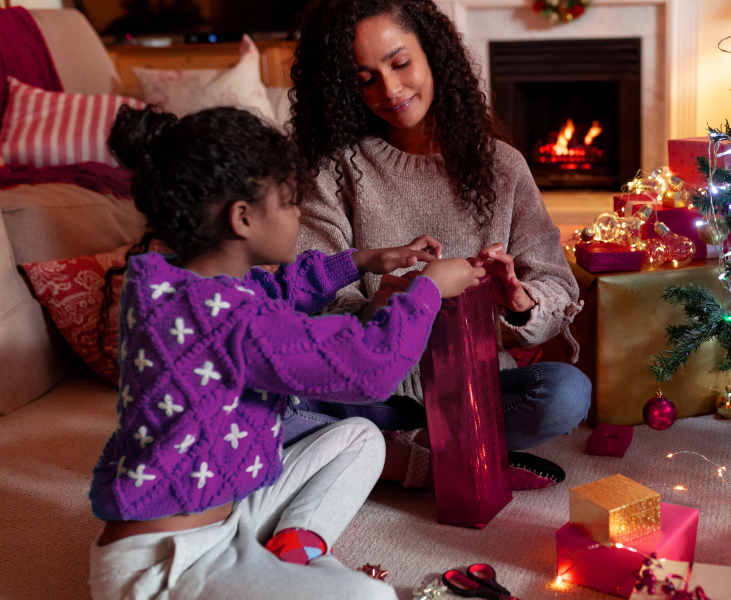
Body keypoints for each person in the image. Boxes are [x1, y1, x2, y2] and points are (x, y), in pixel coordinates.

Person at [88, 105, 484, 600]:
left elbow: (275, 290)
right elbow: (370, 367)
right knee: (371, 597)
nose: (300, 215)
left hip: (228, 508)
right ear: (243, 217)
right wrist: (426, 290)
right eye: (292, 202)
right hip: (165, 569)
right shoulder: (230, 321)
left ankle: (298, 545)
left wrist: (362, 260)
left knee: (361, 437)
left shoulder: (175, 285)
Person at [289, 0, 592, 490]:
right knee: (251, 398)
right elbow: (308, 302)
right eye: (364, 78)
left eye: (400, 63)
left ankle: (388, 452)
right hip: (368, 385)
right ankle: (436, 461)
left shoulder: (504, 166)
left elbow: (557, 284)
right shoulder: (337, 170)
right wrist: (385, 303)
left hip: (476, 383)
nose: (389, 90)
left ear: (433, 53)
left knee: (566, 394)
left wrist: (520, 301)